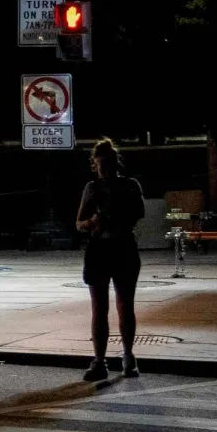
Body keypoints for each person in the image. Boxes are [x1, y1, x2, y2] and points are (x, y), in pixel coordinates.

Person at [75, 137, 146, 382]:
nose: (104, 168)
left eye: (107, 162)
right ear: (95, 164)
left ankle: (127, 357)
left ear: (116, 162)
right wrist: (94, 222)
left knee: (125, 305)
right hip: (99, 249)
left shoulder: (130, 185)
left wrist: (116, 215)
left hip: (122, 247)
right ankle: (100, 360)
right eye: (99, 163)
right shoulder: (92, 188)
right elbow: (79, 223)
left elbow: (139, 213)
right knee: (99, 307)